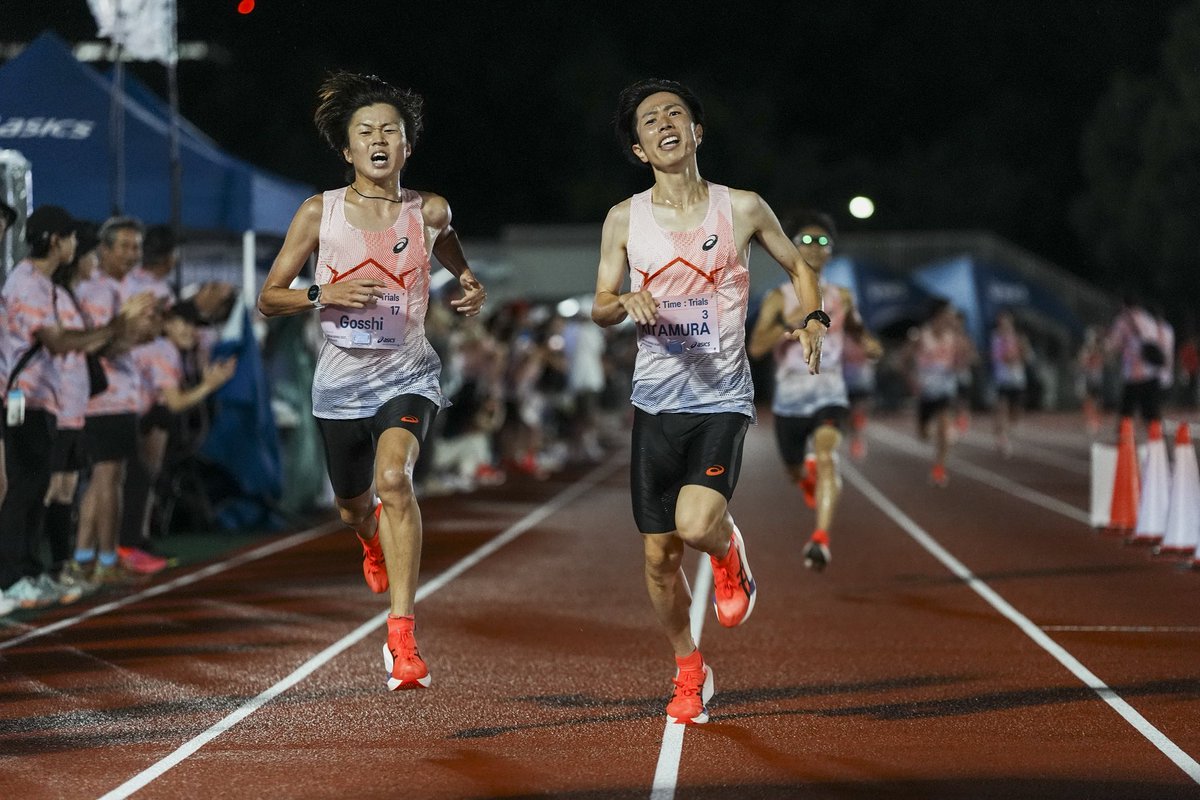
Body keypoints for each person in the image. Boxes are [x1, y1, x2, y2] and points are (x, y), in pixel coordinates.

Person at [591, 79, 824, 725]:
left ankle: (727, 552)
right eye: (649, 120)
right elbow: (600, 304)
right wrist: (623, 301)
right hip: (654, 403)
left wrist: (813, 318)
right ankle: (689, 669)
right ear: (639, 149)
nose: (664, 123)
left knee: (695, 526)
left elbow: (798, 267)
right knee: (658, 558)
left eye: (675, 114)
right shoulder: (623, 218)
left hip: (722, 396)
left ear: (697, 132)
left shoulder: (742, 207)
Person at [257, 71, 486, 691]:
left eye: (390, 130)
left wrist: (467, 279)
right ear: (347, 148)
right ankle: (370, 540)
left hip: (407, 375)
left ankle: (402, 636)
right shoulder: (319, 213)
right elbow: (268, 298)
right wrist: (322, 293)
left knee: (395, 480)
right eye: (366, 131)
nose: (379, 139)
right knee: (353, 507)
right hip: (338, 387)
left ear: (407, 145)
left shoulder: (428, 209)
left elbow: (448, 242)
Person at [0, 207, 152, 606]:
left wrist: (120, 329)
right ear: (55, 241)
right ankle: (10, 578)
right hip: (26, 400)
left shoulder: (42, 283)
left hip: (43, 400)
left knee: (36, 490)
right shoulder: (28, 283)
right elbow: (58, 342)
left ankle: (29, 572)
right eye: (70, 239)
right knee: (25, 491)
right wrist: (118, 325)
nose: (77, 247)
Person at [748, 209, 880, 573]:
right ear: (791, 247)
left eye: (823, 241)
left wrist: (869, 344)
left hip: (829, 393)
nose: (815, 247)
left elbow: (858, 331)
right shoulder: (777, 298)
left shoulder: (842, 297)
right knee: (795, 472)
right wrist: (790, 324)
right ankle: (803, 474)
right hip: (790, 400)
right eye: (805, 240)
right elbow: (756, 348)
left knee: (827, 458)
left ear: (831, 250)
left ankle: (820, 539)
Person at [68, 216, 158, 587]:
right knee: (108, 479)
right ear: (103, 250)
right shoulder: (97, 290)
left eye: (136, 247)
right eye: (124, 246)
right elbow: (102, 345)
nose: (132, 254)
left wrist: (142, 330)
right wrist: (129, 324)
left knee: (105, 478)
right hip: (104, 397)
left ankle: (84, 558)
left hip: (120, 396)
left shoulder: (123, 287)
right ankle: (106, 559)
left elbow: (126, 338)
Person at [903, 298, 967, 487]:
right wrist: (911, 379)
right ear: (938, 315)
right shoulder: (921, 336)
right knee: (923, 435)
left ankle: (939, 470)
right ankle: (936, 432)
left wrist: (958, 363)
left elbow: (965, 356)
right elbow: (903, 360)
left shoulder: (953, 337)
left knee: (944, 428)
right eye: (948, 314)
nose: (951, 318)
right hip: (925, 392)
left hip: (945, 390)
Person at [1104, 293, 1172, 430]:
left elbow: (1114, 344)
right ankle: (1156, 437)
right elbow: (1156, 343)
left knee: (1127, 409)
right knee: (1151, 410)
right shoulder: (1148, 319)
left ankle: (1125, 437)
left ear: (1124, 305)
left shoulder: (1122, 321)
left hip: (1133, 373)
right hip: (1150, 371)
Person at [989, 309, 1029, 457]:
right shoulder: (996, 338)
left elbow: (1025, 357)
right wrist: (1009, 350)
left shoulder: (1018, 338)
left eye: (1007, 322)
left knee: (1015, 412)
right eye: (1001, 323)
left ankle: (1004, 429)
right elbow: (1001, 358)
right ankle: (1002, 438)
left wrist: (1022, 348)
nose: (1004, 325)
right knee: (1002, 409)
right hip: (1003, 379)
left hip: (1017, 380)